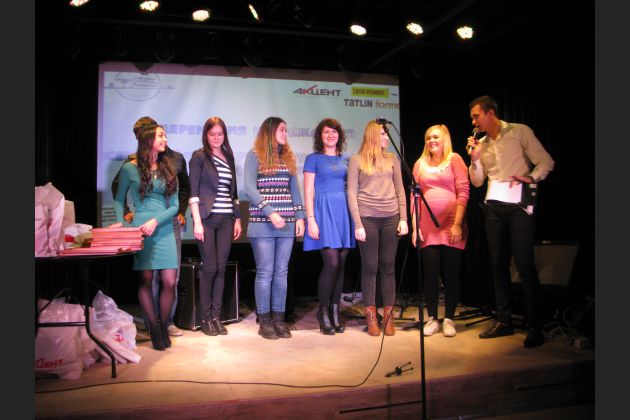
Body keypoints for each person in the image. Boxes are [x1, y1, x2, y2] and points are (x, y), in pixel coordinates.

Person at [466, 95, 555, 348]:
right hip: (494, 206)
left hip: (518, 206)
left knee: (524, 263)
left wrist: (532, 178)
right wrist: (475, 159)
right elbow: (477, 182)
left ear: (490, 113)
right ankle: (504, 321)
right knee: (498, 264)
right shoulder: (482, 144)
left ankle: (535, 326)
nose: (473, 121)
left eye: (476, 116)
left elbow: (546, 161)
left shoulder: (519, 131)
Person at [111, 117, 190, 338]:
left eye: (165, 135)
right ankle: (153, 326)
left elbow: (177, 201)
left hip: (165, 226)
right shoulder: (130, 167)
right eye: (160, 135)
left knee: (169, 280)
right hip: (142, 229)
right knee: (146, 280)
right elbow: (118, 196)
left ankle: (164, 324)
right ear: (147, 140)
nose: (165, 139)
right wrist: (120, 218)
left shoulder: (171, 165)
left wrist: (160, 219)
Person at [243, 116, 306, 340]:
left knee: (281, 273)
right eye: (281, 130)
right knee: (265, 272)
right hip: (263, 224)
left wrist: (300, 217)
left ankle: (279, 319)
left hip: (286, 224)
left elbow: (294, 190)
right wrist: (271, 212)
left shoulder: (287, 158)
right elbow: (249, 188)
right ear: (269, 132)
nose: (285, 134)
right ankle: (265, 321)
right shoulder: (254, 155)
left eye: (286, 130)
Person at [347, 120, 408, 337]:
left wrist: (404, 218)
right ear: (373, 135)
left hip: (391, 217)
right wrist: (358, 223)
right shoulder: (356, 160)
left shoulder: (392, 159)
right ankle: (371, 317)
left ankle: (389, 317)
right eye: (382, 134)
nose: (385, 137)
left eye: (386, 134)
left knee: (388, 267)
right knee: (370, 267)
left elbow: (400, 189)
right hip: (368, 218)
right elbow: (351, 192)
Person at [411, 124, 469, 338]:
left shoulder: (454, 159)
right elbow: (414, 197)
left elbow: (463, 191)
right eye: (428, 138)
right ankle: (433, 318)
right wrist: (415, 227)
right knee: (430, 273)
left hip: (452, 224)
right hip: (427, 227)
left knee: (451, 273)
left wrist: (457, 224)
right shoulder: (420, 164)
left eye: (435, 137)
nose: (431, 141)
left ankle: (449, 318)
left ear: (445, 139)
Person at [188, 117, 242, 337]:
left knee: (221, 268)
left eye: (220, 134)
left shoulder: (229, 157)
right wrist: (197, 222)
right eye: (212, 134)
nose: (216, 138)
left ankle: (216, 318)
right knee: (210, 268)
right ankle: (205, 319)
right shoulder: (199, 156)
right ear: (206, 135)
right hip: (207, 219)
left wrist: (237, 218)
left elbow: (233, 193)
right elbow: (193, 193)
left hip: (227, 219)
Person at [303, 118, 356, 335]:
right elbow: (308, 191)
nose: (330, 135)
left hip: (344, 211)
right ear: (320, 136)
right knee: (331, 263)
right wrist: (311, 219)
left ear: (339, 135)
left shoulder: (347, 159)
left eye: (334, 132)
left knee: (341, 265)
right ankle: (323, 312)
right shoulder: (313, 159)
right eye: (326, 132)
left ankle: (335, 313)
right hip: (323, 211)